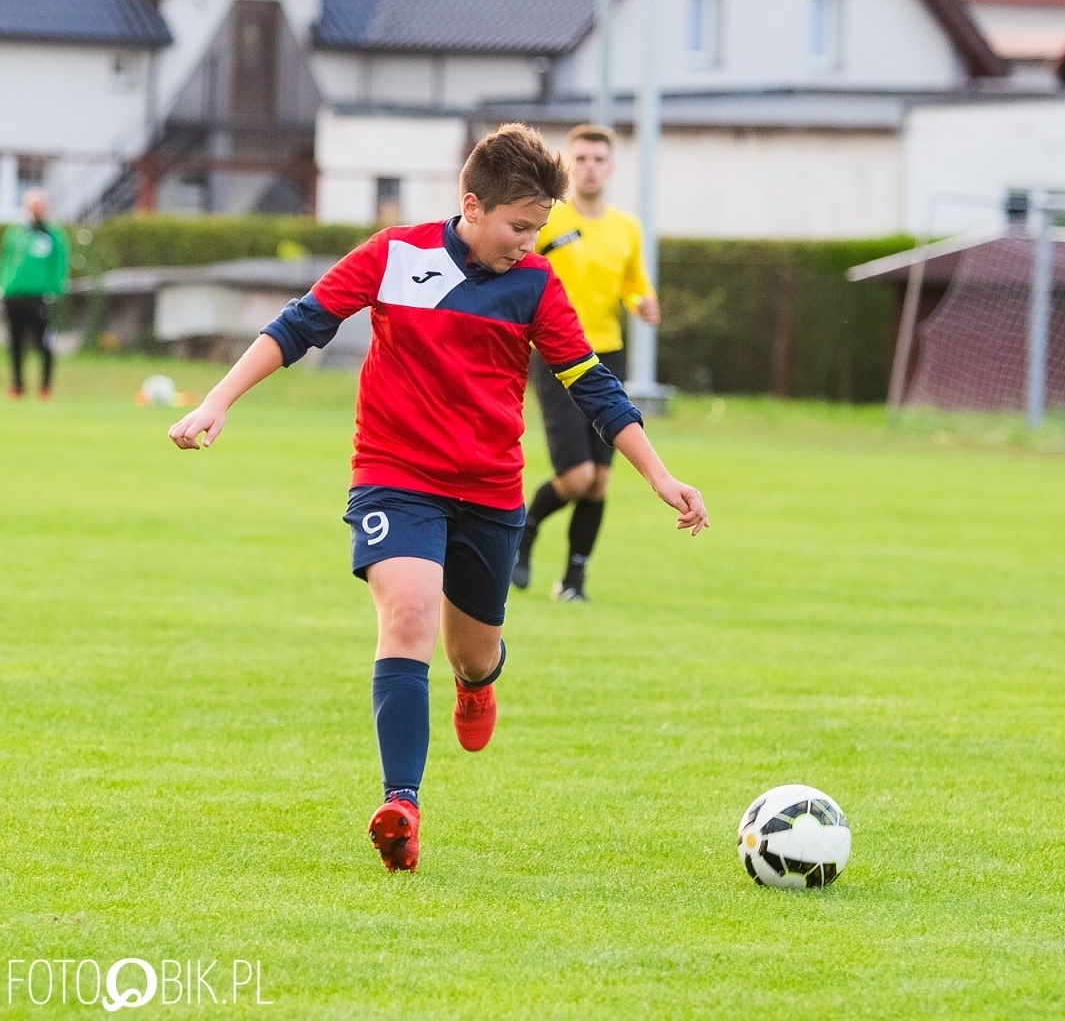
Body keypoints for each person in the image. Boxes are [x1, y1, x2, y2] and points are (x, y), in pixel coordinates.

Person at [167, 124, 709, 871]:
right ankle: (402, 806)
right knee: (410, 612)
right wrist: (217, 402)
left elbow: (593, 385)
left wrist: (659, 474)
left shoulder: (537, 285)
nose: (528, 241)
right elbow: (300, 325)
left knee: (474, 651)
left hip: (489, 491)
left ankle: (476, 684)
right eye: (519, 226)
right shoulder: (395, 254)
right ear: (472, 205)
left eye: (539, 228)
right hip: (395, 474)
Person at [512, 124, 660, 602]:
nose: (589, 167)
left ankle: (574, 581)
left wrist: (642, 302)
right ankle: (525, 531)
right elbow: (519, 267)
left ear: (610, 168)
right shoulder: (548, 221)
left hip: (606, 354)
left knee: (599, 482)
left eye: (598, 159)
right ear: (568, 166)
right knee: (576, 477)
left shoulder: (626, 228)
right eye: (581, 159)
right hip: (555, 354)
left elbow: (634, 284)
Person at [1, 189, 70, 399]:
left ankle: (45, 387)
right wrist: (4, 285)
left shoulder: (52, 235)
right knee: (15, 342)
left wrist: (54, 289)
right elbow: (7, 261)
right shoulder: (16, 233)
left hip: (39, 296)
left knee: (43, 343)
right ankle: (17, 385)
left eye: (38, 205)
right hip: (14, 294)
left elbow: (59, 265)